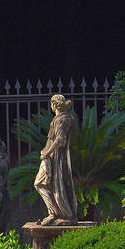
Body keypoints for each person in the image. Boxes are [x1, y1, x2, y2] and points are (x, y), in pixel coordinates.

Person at [35, 94, 78, 226]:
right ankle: (56, 213)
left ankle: (62, 214)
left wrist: (47, 152)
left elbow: (60, 139)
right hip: (54, 156)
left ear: (54, 105)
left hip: (56, 157)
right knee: (48, 184)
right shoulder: (64, 118)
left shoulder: (61, 119)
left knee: (45, 184)